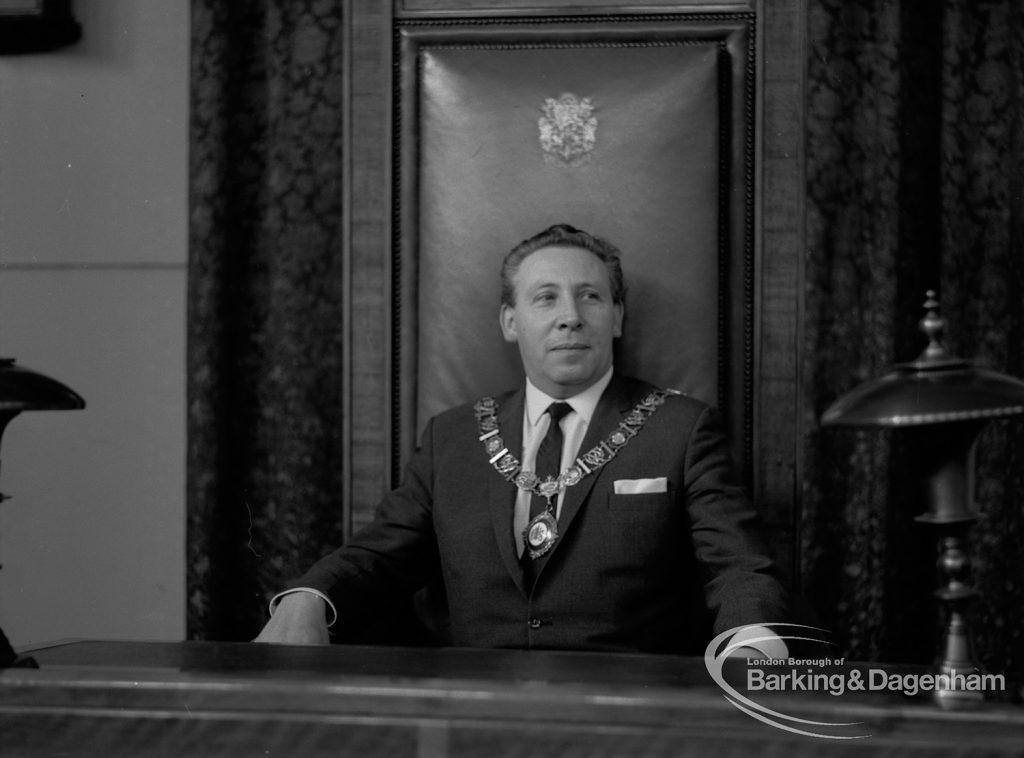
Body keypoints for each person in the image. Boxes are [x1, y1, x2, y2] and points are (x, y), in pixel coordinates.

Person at [255, 224, 791, 655]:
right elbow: (381, 553)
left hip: (629, 714)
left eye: (590, 298)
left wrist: (753, 642)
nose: (570, 319)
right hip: (472, 713)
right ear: (511, 321)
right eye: (545, 298)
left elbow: (739, 565)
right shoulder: (454, 437)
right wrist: (308, 597)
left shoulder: (681, 428)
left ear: (618, 316)